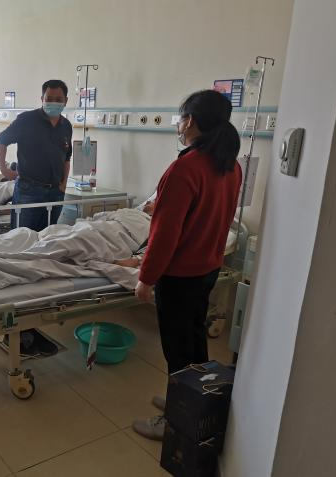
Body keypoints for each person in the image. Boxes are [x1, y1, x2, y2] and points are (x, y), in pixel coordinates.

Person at [131, 90, 242, 441]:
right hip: (208, 269)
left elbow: (165, 233)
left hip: (180, 277)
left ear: (190, 121)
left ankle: (177, 422)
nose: (178, 125)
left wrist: (146, 278)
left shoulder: (185, 169)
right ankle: (192, 403)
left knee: (178, 350)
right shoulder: (231, 166)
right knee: (195, 343)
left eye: (180, 119)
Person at [0, 79, 72, 232]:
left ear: (66, 101)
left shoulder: (66, 126)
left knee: (48, 238)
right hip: (29, 191)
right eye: (49, 99)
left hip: (55, 193)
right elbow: (1, 141)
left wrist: (63, 184)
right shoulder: (27, 120)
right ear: (42, 99)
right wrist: (4, 169)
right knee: (21, 237)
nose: (53, 103)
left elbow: (66, 158)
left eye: (58, 99)